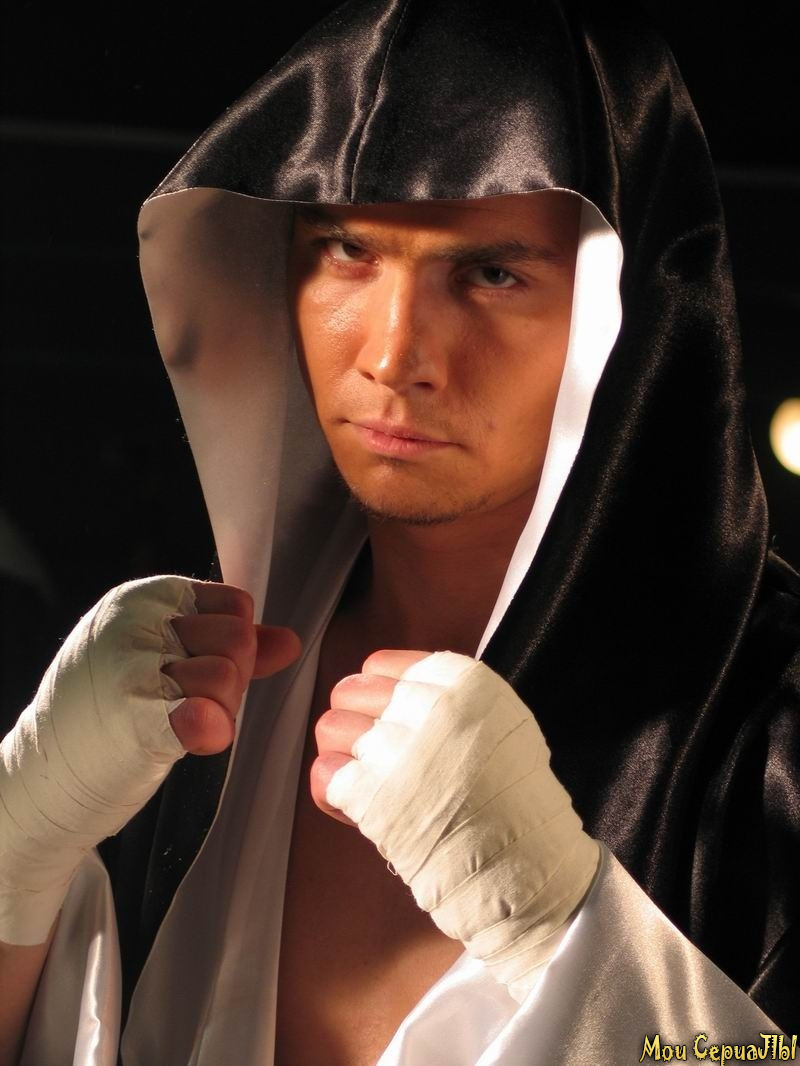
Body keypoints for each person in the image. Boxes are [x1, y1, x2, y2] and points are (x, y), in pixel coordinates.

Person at [1, 0, 798, 1062]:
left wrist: (575, 942)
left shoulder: (768, 740)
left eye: (491, 274)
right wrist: (17, 848)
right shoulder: (179, 708)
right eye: (346, 249)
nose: (392, 354)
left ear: (629, 313)